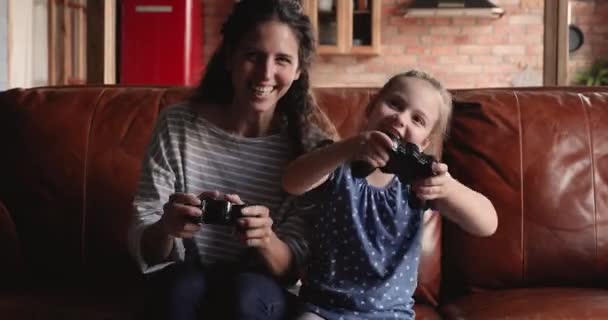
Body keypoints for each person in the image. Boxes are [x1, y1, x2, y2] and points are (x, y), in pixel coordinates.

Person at [127, 1, 337, 319]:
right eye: (253, 55)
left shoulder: (310, 150)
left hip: (260, 288)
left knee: (246, 295)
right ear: (230, 58)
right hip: (183, 276)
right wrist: (166, 227)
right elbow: (144, 242)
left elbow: (294, 267)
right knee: (180, 289)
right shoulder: (177, 125)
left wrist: (265, 239)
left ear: (297, 71)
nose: (266, 74)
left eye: (282, 59)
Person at [282, 70, 498, 320]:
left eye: (418, 119)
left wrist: (449, 188)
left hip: (390, 314)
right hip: (323, 308)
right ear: (371, 107)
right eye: (395, 104)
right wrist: (348, 148)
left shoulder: (420, 182)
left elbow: (487, 224)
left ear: (425, 142)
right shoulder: (336, 160)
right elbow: (292, 182)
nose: (400, 119)